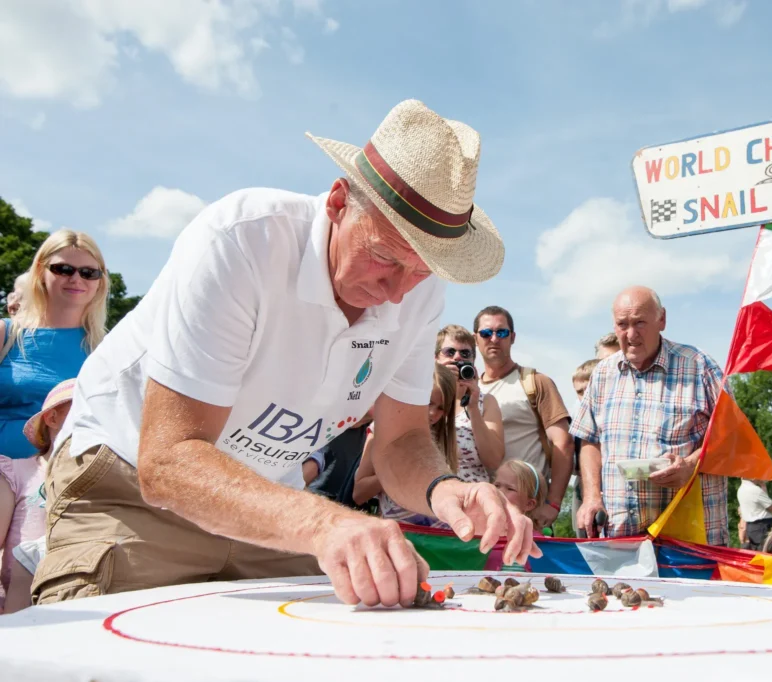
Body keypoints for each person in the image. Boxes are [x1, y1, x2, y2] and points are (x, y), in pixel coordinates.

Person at [32, 100, 539, 609]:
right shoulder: (242, 240)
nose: (397, 293)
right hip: (130, 489)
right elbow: (168, 459)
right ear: (338, 202)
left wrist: (443, 490)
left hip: (270, 505)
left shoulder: (419, 290)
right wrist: (325, 523)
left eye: (422, 270)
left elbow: (402, 438)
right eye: (383, 256)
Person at [572, 286, 730, 545]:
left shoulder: (700, 366)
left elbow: (732, 436)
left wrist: (691, 465)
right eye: (622, 325)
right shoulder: (602, 374)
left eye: (639, 323)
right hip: (622, 536)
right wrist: (591, 497)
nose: (631, 334)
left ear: (662, 320)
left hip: (690, 539)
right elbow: (590, 440)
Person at [0, 231, 108, 459]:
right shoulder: (5, 333)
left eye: (89, 273)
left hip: (67, 475)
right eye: (64, 269)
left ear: (100, 281)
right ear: (40, 271)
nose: (76, 279)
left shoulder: (108, 350)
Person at [475, 305, 573, 528]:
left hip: (527, 514)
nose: (494, 339)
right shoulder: (469, 389)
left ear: (513, 337)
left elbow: (563, 443)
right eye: (486, 333)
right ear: (475, 339)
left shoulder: (535, 382)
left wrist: (554, 503)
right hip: (480, 512)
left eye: (501, 332)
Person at [0, 379, 74, 613]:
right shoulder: (18, 472)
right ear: (52, 419)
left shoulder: (104, 477)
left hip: (72, 594)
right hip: (19, 599)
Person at [353, 365, 457, 528]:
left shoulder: (447, 437)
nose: (433, 413)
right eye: (428, 402)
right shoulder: (381, 431)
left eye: (441, 408)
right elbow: (359, 493)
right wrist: (400, 470)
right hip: (401, 533)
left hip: (441, 537)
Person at [434, 324, 504, 481]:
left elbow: (494, 461)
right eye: (450, 352)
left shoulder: (486, 402)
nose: (457, 358)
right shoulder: (421, 396)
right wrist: (438, 385)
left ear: (472, 360)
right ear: (436, 358)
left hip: (471, 490)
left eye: (465, 353)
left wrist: (472, 407)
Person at [570, 358, 600, 538]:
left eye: (588, 389)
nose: (584, 396)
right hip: (582, 490)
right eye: (579, 392)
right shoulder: (576, 420)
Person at [493, 459, 549, 533]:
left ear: (529, 504)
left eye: (510, 489)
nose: (499, 491)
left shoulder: (531, 538)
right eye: (497, 485)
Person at [737, 478, 772, 550]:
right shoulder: (756, 490)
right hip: (762, 526)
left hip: (751, 526)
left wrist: (763, 486)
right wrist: (763, 487)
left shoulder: (741, 489)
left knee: (756, 551)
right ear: (752, 477)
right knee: (765, 550)